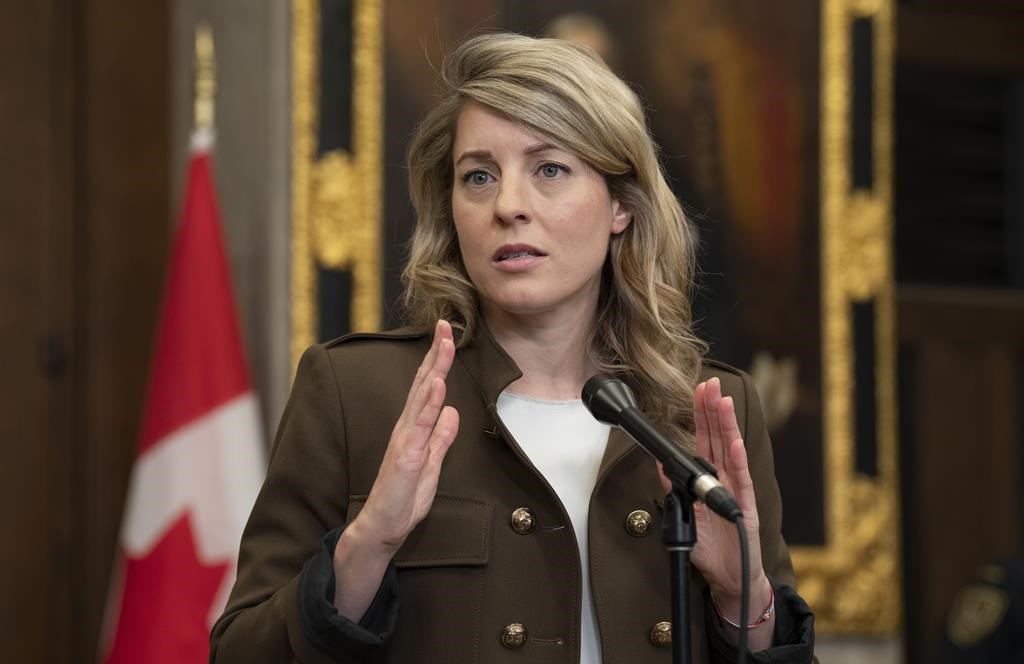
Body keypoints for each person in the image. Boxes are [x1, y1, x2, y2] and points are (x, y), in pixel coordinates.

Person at [210, 32, 815, 663]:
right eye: (478, 176)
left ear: (621, 205)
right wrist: (367, 546)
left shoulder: (705, 410)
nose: (507, 206)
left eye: (549, 169)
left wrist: (742, 598)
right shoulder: (355, 393)